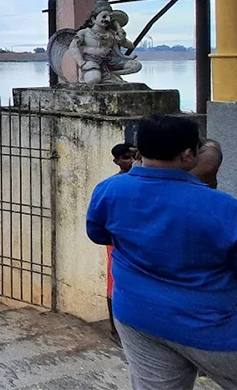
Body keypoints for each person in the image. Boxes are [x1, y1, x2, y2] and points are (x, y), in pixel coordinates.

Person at [87, 115, 237, 389]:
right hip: (207, 327)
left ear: (138, 151)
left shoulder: (110, 189)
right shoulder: (224, 208)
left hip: (136, 314)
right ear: (188, 156)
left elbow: (98, 234)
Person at [104, 142, 138, 341]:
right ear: (116, 161)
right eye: (126, 157)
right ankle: (114, 331)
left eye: (134, 156)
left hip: (137, 239)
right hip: (117, 239)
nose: (131, 161)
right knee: (113, 283)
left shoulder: (141, 181)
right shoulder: (112, 185)